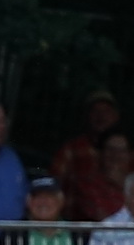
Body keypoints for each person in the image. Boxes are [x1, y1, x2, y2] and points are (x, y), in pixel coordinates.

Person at [52, 90, 129, 218]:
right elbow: (53, 187)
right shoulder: (71, 150)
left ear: (116, 116)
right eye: (95, 111)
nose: (101, 116)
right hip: (78, 226)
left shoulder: (132, 158)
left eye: (106, 111)